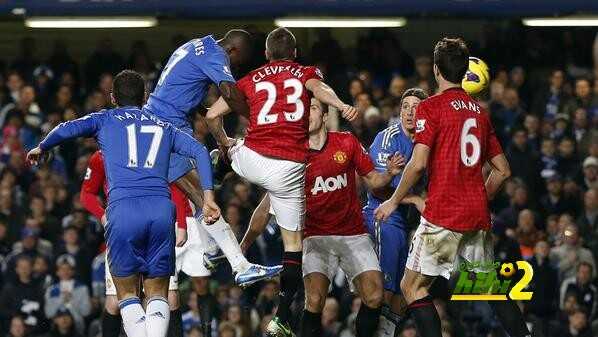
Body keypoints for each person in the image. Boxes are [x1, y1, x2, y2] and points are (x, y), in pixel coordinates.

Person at [26, 70, 215, 337]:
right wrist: (207, 198)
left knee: (126, 294)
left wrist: (42, 147)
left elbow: (66, 128)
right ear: (145, 97)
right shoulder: (163, 125)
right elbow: (199, 151)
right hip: (161, 212)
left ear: (113, 98)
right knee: (158, 292)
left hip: (123, 212)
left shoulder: (104, 119)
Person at [205, 27, 357, 337]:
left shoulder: (253, 78)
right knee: (294, 250)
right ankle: (284, 315)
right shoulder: (307, 77)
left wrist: (224, 143)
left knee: (227, 149)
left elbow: (212, 116)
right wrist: (340, 103)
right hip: (291, 169)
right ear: (296, 53)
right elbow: (320, 88)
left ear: (266, 54)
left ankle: (220, 169)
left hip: (254, 158)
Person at [374, 38, 530, 337]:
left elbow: (417, 164)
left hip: (443, 213)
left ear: (435, 70)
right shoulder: (479, 112)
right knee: (488, 288)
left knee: (412, 286)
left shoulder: (431, 108)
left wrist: (393, 200)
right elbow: (503, 171)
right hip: (476, 215)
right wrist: (477, 199)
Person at [242, 98, 406, 337]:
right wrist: (244, 244)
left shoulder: (346, 142)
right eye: (304, 109)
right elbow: (265, 207)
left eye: (314, 108)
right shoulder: (291, 157)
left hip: (353, 234)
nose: (307, 113)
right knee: (315, 299)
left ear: (326, 116)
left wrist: (389, 173)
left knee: (375, 295)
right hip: (315, 237)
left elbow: (372, 180)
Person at [144, 29, 280, 286]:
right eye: (237, 62)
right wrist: (257, 120)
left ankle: (211, 251)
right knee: (202, 196)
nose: (233, 66)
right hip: (165, 128)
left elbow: (183, 89)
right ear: (233, 51)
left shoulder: (196, 44)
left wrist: (209, 115)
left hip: (164, 123)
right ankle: (240, 266)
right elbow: (229, 93)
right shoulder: (216, 55)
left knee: (199, 196)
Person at [80, 149, 216, 337]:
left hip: (155, 230)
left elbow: (172, 186)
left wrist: (180, 224)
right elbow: (86, 194)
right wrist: (103, 216)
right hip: (122, 228)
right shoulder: (102, 156)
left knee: (169, 297)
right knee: (114, 302)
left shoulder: (150, 149)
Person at [363, 88, 428, 337]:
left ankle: (387, 332)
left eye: (416, 107)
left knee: (406, 289)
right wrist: (413, 199)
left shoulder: (428, 141)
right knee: (386, 287)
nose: (410, 112)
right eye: (405, 106)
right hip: (383, 216)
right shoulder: (388, 139)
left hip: (410, 222)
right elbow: (376, 187)